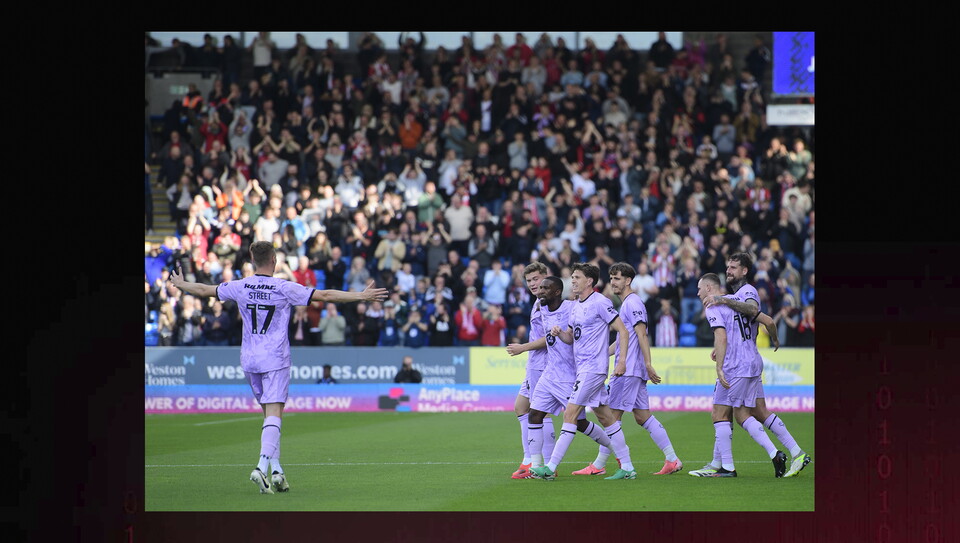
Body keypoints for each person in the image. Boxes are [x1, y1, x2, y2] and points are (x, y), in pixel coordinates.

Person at [169, 241, 387, 494]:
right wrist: (360, 296)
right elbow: (324, 295)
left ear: (252, 260)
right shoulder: (283, 287)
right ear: (273, 259)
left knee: (270, 417)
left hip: (249, 358)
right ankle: (261, 467)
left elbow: (206, 290)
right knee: (274, 413)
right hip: (275, 357)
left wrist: (182, 285)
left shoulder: (240, 286)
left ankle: (277, 472)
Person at [697, 252, 812, 477]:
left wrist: (720, 298)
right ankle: (797, 452)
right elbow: (761, 322)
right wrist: (774, 338)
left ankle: (743, 462)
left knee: (733, 414)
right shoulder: (736, 296)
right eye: (727, 267)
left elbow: (753, 310)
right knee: (760, 411)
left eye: (733, 267)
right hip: (749, 361)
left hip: (738, 365)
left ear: (745, 271)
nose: (728, 270)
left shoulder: (746, 291)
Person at [572, 263, 683, 476]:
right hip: (634, 369)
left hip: (629, 369)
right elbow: (627, 339)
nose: (612, 282)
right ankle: (672, 459)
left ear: (628, 281)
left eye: (617, 278)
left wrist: (648, 364)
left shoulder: (632, 303)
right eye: (611, 278)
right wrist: (601, 353)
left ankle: (599, 464)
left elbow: (642, 334)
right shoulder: (627, 304)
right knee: (642, 416)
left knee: (611, 417)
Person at [531, 263, 635, 481]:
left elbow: (623, 331)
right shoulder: (576, 305)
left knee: (570, 414)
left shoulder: (600, 302)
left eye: (577, 277)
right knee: (606, 418)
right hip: (582, 369)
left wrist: (621, 361)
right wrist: (560, 334)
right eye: (572, 276)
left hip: (593, 369)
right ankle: (627, 466)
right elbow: (571, 337)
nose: (573, 281)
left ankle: (550, 467)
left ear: (589, 281)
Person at [692, 272, 785, 478]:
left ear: (709, 288)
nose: (697, 293)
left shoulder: (712, 306)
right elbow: (765, 319)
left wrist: (719, 366)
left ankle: (731, 466)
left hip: (734, 366)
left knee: (725, 414)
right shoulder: (737, 301)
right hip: (751, 362)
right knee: (732, 413)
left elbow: (721, 335)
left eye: (699, 288)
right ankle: (718, 463)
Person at [502, 262, 554, 479]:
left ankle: (546, 463)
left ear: (546, 278)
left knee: (541, 412)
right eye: (529, 280)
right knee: (521, 407)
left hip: (543, 363)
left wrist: (523, 347)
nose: (533, 284)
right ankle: (529, 460)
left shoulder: (548, 304)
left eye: (536, 279)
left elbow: (550, 337)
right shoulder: (537, 302)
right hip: (535, 363)